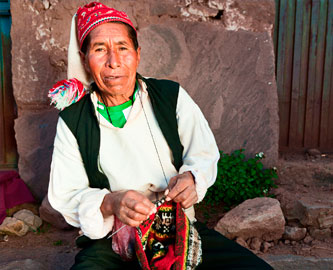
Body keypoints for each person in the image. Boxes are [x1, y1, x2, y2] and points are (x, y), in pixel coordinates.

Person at [48, 2, 273, 269]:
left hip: (176, 230)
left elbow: (202, 154)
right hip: (112, 242)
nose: (114, 61)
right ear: (85, 60)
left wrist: (192, 179)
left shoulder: (171, 97)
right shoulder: (74, 120)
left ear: (137, 54)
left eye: (122, 48)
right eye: (100, 50)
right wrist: (112, 202)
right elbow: (66, 193)